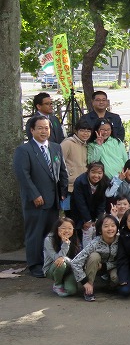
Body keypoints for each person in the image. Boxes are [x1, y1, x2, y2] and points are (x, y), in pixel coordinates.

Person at [13, 116, 69, 276]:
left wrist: (63, 192)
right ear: (32, 130)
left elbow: (62, 171)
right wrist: (34, 195)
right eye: (40, 128)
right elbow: (23, 175)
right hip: (36, 200)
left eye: (47, 128)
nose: (44, 131)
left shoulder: (56, 147)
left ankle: (49, 263)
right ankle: (35, 265)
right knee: (35, 234)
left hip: (54, 199)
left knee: (51, 234)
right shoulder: (24, 150)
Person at [70, 215, 120, 301]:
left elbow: (123, 260)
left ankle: (109, 286)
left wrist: (105, 266)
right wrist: (84, 282)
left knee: (116, 279)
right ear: (100, 229)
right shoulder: (95, 243)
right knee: (94, 256)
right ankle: (89, 289)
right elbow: (75, 262)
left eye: (113, 225)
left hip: (113, 267)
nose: (110, 229)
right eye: (106, 226)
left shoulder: (121, 241)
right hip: (95, 268)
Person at [43, 218, 81, 297]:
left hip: (69, 268)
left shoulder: (74, 239)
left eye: (70, 228)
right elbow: (56, 259)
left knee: (71, 291)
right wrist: (65, 244)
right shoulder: (49, 239)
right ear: (57, 228)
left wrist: (66, 260)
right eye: (63, 228)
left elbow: (78, 259)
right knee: (61, 262)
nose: (67, 231)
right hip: (52, 269)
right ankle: (57, 284)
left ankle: (65, 281)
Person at [60, 119, 93, 206]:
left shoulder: (87, 145)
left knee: (81, 214)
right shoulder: (67, 143)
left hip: (82, 186)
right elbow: (58, 163)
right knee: (68, 214)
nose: (85, 133)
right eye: (82, 130)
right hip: (68, 188)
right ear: (76, 131)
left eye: (88, 131)